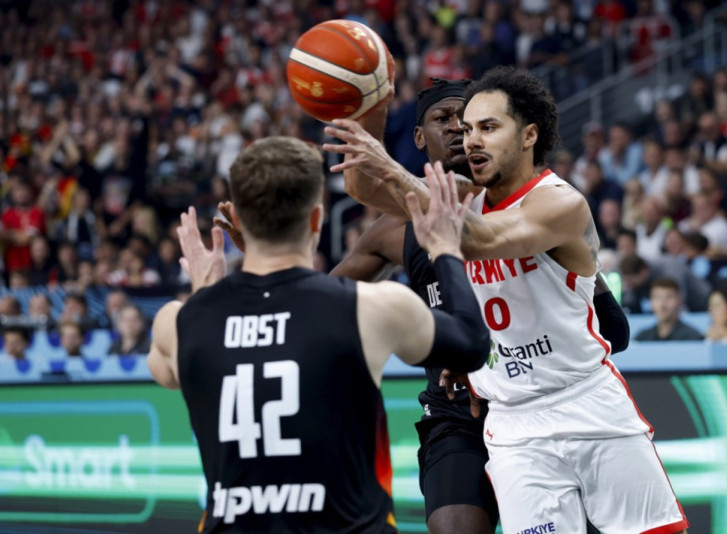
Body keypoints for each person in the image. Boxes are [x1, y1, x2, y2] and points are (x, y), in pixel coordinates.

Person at [217, 79, 629, 534]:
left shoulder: (529, 205)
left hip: (539, 401)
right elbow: (320, 298)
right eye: (443, 119)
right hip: (457, 416)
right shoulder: (393, 229)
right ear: (419, 137)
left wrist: (512, 349)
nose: (457, 129)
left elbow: (614, 328)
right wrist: (268, 254)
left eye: (468, 122)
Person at [324, 66, 688, 534]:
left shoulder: (560, 202)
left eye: (488, 127)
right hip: (512, 423)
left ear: (528, 135)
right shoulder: (461, 195)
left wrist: (389, 166)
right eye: (467, 129)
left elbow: (481, 237)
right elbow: (365, 187)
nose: (470, 139)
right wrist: (371, 106)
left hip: (585, 402)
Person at [147, 137, 490, 533]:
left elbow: (178, 369)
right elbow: (471, 343)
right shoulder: (368, 307)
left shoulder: (180, 323)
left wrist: (206, 291)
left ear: (237, 219)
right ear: (316, 219)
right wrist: (445, 248)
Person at [634, 278, 704, 341]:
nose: (662, 304)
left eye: (668, 297)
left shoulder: (692, 337)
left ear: (679, 301)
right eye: (657, 297)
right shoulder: (642, 338)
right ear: (651, 302)